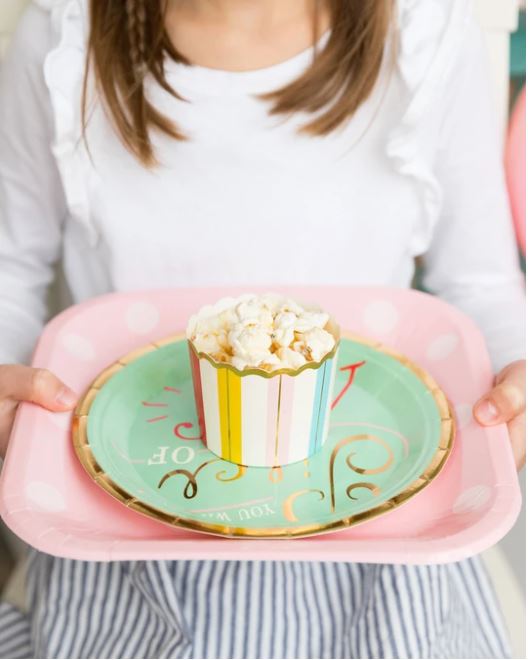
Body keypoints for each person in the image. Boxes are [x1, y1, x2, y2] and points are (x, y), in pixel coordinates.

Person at [0, 0, 525, 658]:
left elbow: (479, 287)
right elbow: (11, 269)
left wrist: (513, 377)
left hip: (378, 529)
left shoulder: (427, 34)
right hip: (127, 523)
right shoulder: (61, 37)